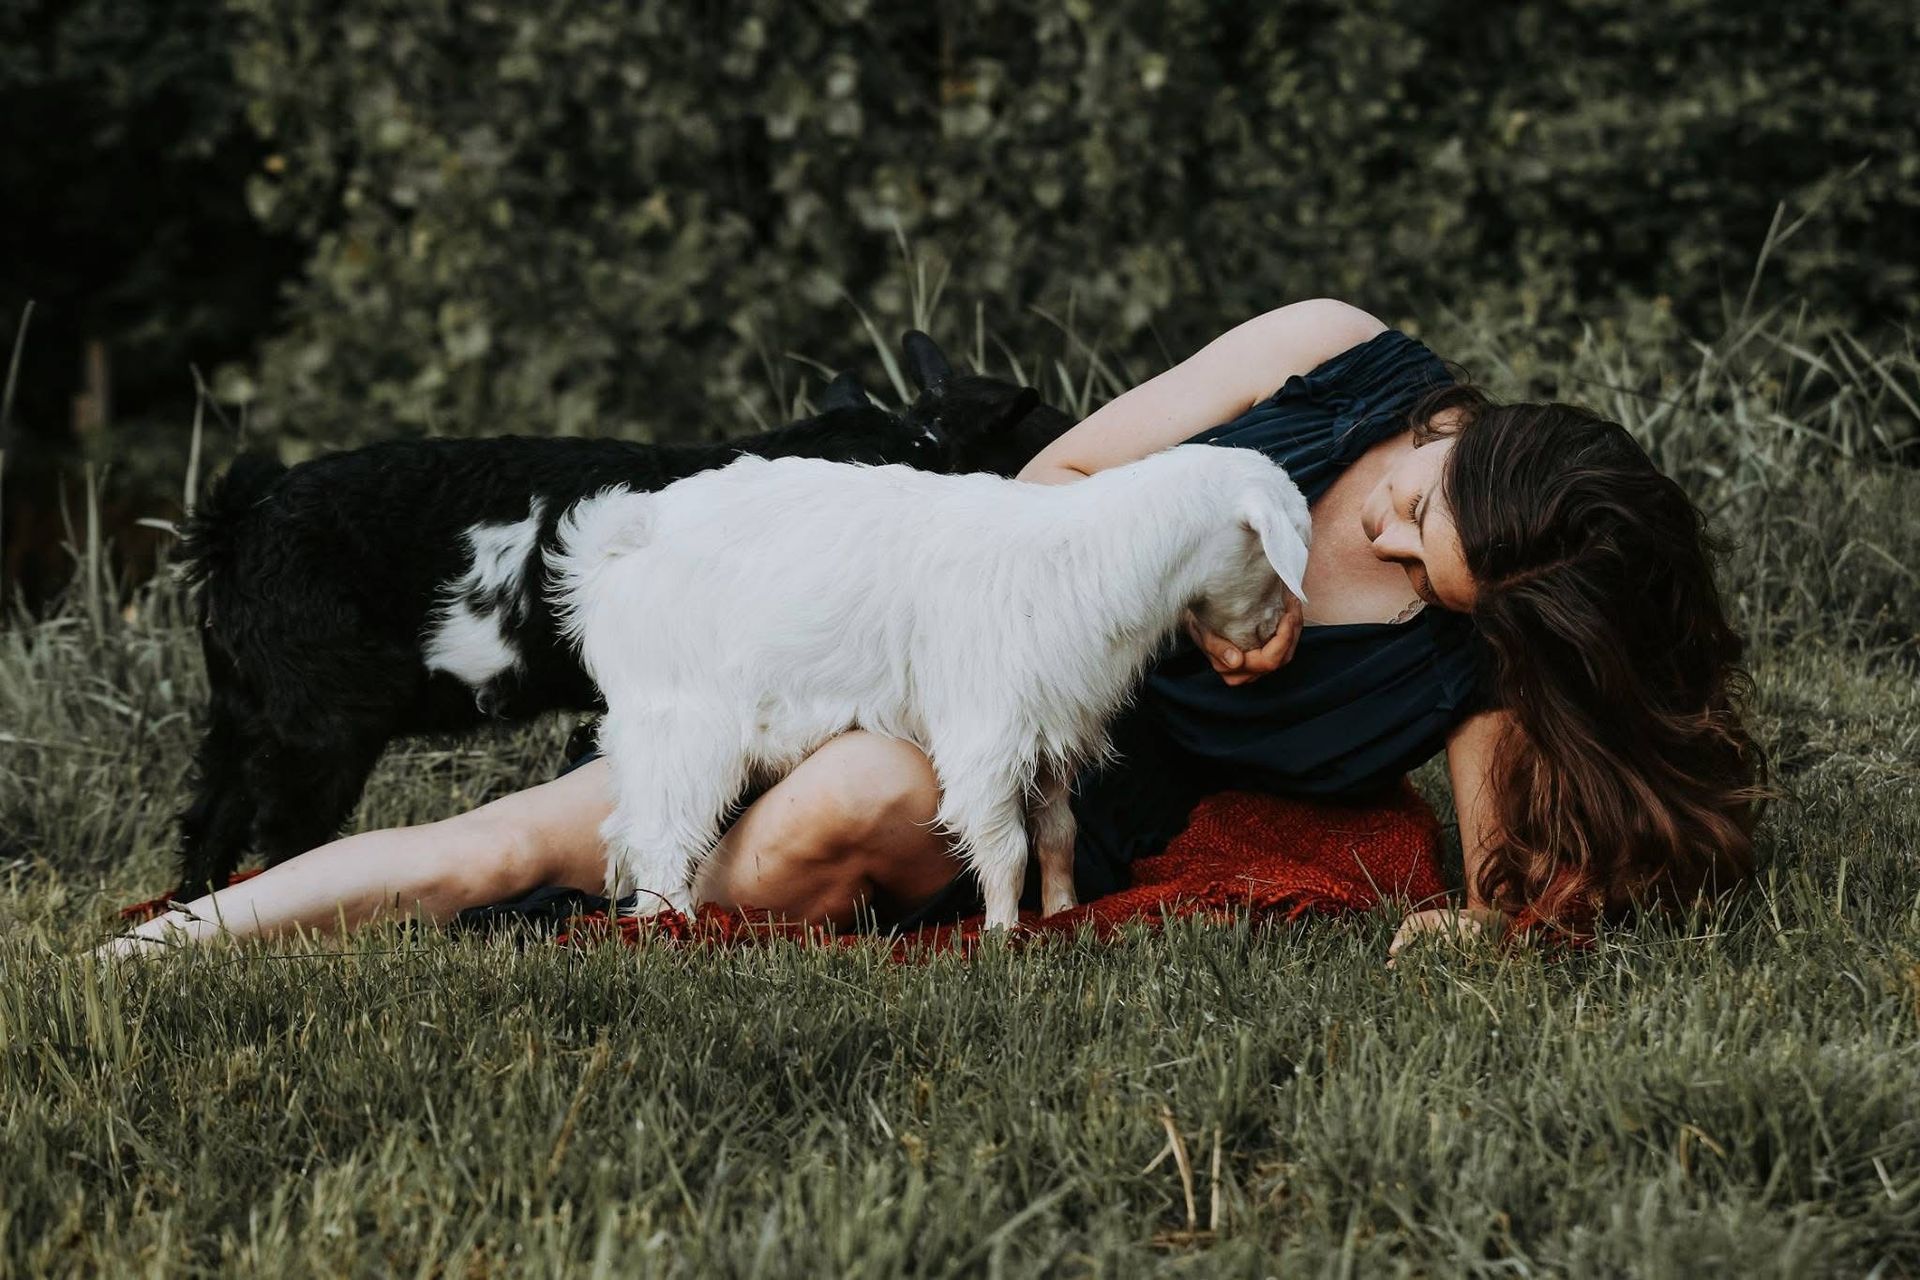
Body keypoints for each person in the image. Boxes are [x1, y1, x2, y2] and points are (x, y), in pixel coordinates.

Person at [102, 298, 1768, 960]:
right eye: (1419, 494)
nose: (1390, 539)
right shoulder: (1337, 358)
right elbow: (1049, 484)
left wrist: (1492, 920)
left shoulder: (1467, 664)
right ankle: (185, 940)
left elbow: (1496, 884)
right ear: (1466, 422)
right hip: (953, 614)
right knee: (507, 833)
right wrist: (1176, 586)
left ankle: (613, 897)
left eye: (1426, 571)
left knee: (833, 815)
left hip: (1070, 779)